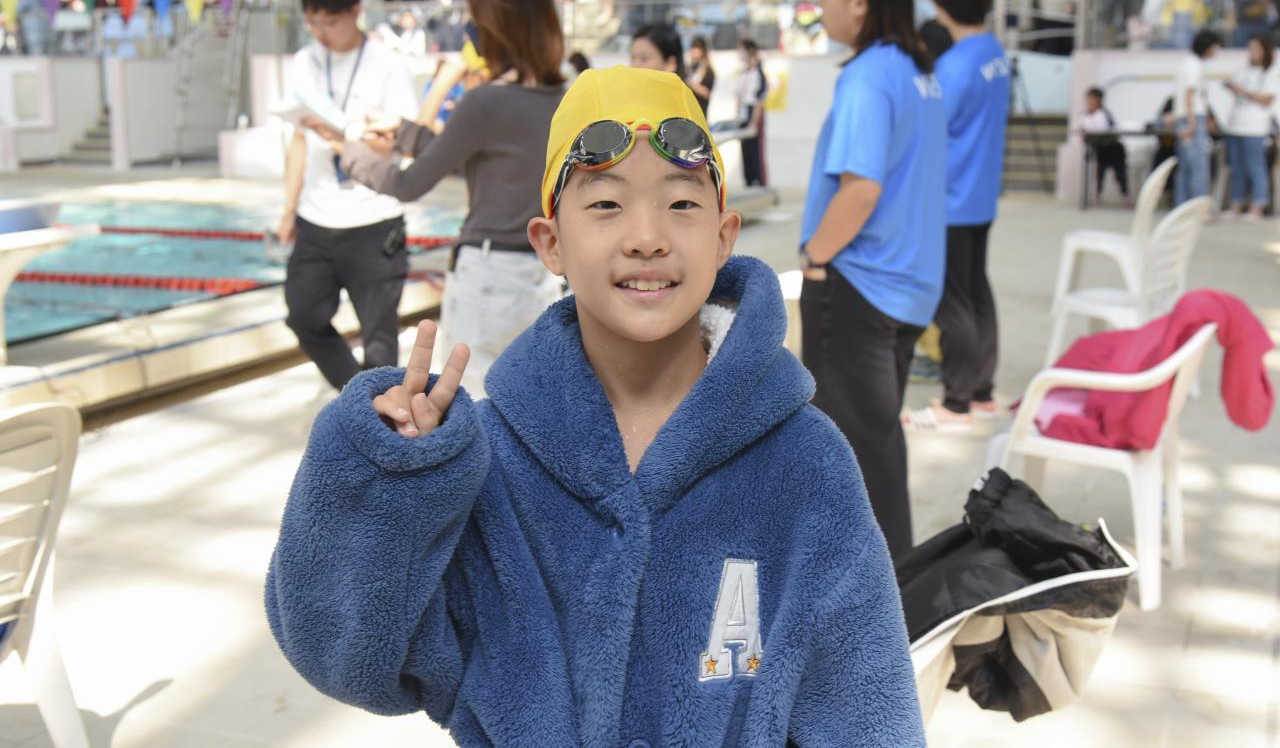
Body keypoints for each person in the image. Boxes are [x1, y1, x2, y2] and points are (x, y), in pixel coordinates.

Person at [265, 64, 927, 746]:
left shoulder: (805, 465)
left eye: (682, 204)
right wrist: (389, 484)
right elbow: (346, 656)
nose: (647, 236)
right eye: (606, 204)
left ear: (724, 238)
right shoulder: (490, 465)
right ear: (550, 243)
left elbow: (869, 714)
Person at [317, 0, 568, 391]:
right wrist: (403, 132)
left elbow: (408, 184)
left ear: (494, 23)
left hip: (488, 276)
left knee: (471, 402)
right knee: (531, 399)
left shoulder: (485, 102)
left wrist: (348, 150)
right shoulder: (564, 98)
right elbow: (481, 150)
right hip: (545, 274)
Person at [798, 0, 946, 558]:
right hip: (907, 285)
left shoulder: (866, 78)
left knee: (851, 456)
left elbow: (860, 191)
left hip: (861, 284)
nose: (820, 4)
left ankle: (882, 592)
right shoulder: (916, 70)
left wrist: (815, 257)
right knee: (876, 442)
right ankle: (890, 582)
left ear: (859, 1)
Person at [276, 0, 419, 391]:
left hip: (374, 219)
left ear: (356, 10)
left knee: (380, 341)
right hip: (316, 216)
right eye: (312, 21)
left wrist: (343, 137)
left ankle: (375, 419)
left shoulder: (386, 64)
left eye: (330, 21)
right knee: (303, 315)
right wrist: (288, 210)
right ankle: (360, 396)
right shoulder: (305, 61)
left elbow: (401, 144)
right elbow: (298, 141)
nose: (320, 31)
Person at [901, 0, 1008, 433]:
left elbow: (924, 135)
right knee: (976, 290)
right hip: (980, 193)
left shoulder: (953, 68)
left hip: (950, 198)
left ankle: (957, 400)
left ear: (941, 6)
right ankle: (982, 392)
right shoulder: (993, 53)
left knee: (952, 301)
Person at [1223, 34, 1277, 220]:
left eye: (1256, 49)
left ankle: (1258, 206)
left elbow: (1267, 99)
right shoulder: (1242, 71)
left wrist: (1243, 91)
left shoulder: (1272, 72)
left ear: (1265, 50)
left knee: (1256, 167)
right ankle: (1236, 205)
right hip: (1235, 126)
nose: (1252, 52)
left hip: (1255, 128)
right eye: (1250, 48)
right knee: (1236, 168)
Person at [1173, 29, 1222, 206]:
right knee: (1198, 166)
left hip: (1187, 118)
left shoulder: (1189, 63)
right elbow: (1190, 94)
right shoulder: (1194, 65)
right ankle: (1199, 207)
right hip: (1192, 119)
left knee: (1186, 166)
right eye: (1214, 48)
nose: (1215, 52)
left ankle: (1182, 205)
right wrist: (1192, 123)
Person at [1080, 86, 1130, 203]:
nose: (1090, 102)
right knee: (1099, 173)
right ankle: (1097, 195)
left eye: (1093, 99)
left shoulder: (1104, 114)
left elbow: (1107, 131)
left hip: (1113, 148)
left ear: (1099, 100)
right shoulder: (1084, 115)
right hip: (1100, 149)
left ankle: (1125, 195)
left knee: (1120, 174)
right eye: (1089, 99)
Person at [735, 37, 768, 186]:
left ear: (750, 51)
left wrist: (753, 122)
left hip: (753, 114)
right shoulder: (743, 73)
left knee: (756, 152)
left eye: (741, 50)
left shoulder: (757, 73)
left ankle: (759, 183)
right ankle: (748, 182)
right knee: (746, 152)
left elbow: (758, 101)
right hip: (743, 114)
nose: (739, 53)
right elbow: (738, 96)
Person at [685, 34, 716, 117]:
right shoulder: (689, 68)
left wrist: (690, 83)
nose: (693, 51)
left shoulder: (708, 71)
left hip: (700, 112)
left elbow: (707, 93)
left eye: (697, 48)